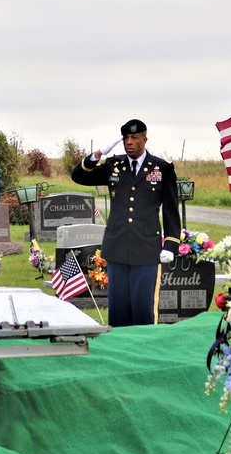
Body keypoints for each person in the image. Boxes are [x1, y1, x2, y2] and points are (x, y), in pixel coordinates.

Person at [70, 119, 180, 327]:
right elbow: (78, 176)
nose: (129, 142)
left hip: (146, 248)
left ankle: (144, 352)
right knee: (118, 312)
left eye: (134, 138)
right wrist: (98, 154)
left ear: (144, 140)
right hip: (117, 246)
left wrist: (171, 245)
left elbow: (170, 211)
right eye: (126, 138)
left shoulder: (161, 168)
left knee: (142, 311)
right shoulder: (114, 165)